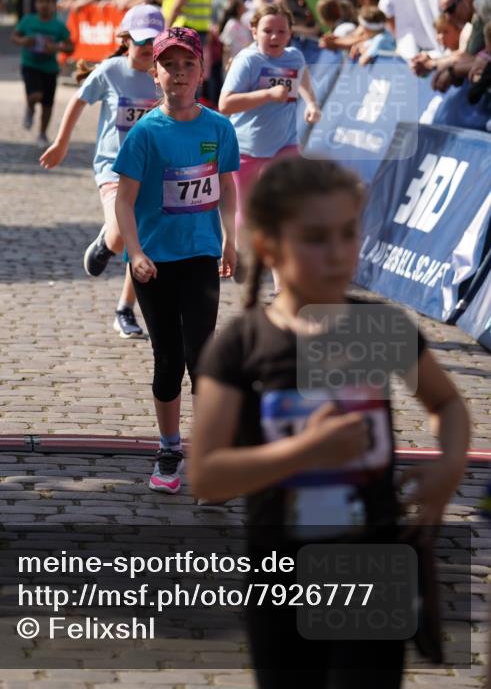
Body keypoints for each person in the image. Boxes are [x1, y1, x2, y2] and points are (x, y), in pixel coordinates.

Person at [189, 155, 470, 688]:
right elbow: (207, 475)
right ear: (270, 246)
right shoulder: (242, 345)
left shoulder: (377, 327)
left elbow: (448, 405)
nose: (338, 253)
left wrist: (450, 465)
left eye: (348, 233)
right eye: (316, 238)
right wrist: (305, 452)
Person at [114, 26, 239, 494]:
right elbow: (124, 201)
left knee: (201, 356)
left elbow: (226, 187)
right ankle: (169, 447)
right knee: (168, 359)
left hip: (201, 256)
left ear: (203, 71)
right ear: (155, 73)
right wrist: (137, 251)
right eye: (170, 65)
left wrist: (230, 238)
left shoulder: (218, 127)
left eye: (188, 65)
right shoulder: (146, 133)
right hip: (154, 263)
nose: (179, 73)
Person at [39, 4, 165, 337]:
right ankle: (106, 244)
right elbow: (79, 100)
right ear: (125, 40)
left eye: (154, 43)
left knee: (142, 240)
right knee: (123, 234)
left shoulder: (164, 75)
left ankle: (125, 309)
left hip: (152, 170)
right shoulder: (111, 71)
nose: (148, 50)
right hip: (113, 167)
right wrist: (61, 143)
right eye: (141, 43)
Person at [219, 5, 320, 266]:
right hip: (246, 148)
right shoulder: (248, 61)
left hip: (284, 145)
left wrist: (311, 104)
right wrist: (267, 95)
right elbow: (225, 104)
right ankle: (240, 254)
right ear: (254, 32)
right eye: (267, 31)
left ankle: (281, 285)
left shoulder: (294, 57)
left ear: (290, 34)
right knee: (244, 211)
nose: (274, 37)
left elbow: (302, 78)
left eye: (281, 31)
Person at [11, 0, 74, 146]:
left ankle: (42, 133)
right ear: (36, 4)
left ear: (54, 5)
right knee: (35, 95)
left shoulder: (58, 26)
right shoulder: (28, 21)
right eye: (41, 1)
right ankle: (30, 108)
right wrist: (24, 41)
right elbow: (15, 37)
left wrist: (57, 47)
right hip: (30, 64)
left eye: (48, 1)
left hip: (50, 68)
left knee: (47, 103)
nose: (44, 4)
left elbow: (70, 46)